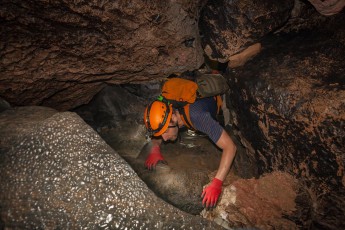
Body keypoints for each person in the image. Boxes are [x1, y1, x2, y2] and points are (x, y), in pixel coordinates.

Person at [143, 88, 237, 208]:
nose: (165, 139)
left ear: (173, 117)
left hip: (219, 98)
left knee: (228, 128)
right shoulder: (163, 106)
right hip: (192, 100)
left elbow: (230, 147)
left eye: (166, 131)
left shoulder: (198, 117)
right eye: (161, 135)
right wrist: (155, 147)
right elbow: (157, 131)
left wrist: (217, 183)